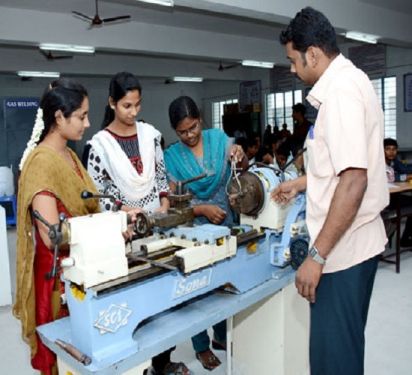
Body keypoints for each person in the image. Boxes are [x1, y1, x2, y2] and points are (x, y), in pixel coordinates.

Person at [272, 7, 389, 375]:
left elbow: (354, 181)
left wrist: (316, 257)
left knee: (333, 362)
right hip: (355, 244)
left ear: (313, 54)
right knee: (341, 352)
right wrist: (301, 182)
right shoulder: (354, 80)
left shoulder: (340, 94)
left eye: (293, 60)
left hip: (342, 254)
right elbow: (343, 167)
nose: (292, 69)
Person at [86, 72, 187, 375]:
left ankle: (162, 361)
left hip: (158, 229)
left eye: (137, 105)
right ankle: (138, 365)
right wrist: (125, 210)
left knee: (165, 299)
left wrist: (165, 206)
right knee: (136, 301)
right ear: (112, 103)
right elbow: (99, 195)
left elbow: (159, 178)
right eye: (127, 106)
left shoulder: (151, 136)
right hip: (125, 235)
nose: (133, 112)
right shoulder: (99, 147)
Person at [13, 79, 100, 375]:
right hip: (58, 276)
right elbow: (51, 236)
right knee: (62, 356)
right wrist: (102, 230)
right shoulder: (41, 163)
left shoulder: (70, 155)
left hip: (82, 266)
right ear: (59, 117)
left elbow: (88, 204)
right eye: (82, 116)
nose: (87, 123)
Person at [164, 96, 247, 370]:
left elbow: (240, 171)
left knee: (224, 284)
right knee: (197, 292)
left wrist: (241, 155)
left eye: (193, 127)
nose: (189, 135)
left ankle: (222, 336)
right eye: (182, 132)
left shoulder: (219, 139)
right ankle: (201, 346)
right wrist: (202, 210)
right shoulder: (172, 157)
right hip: (193, 230)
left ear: (200, 120)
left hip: (226, 221)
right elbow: (176, 202)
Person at [383, 138, 412, 247]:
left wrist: (406, 174)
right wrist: (407, 176)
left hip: (394, 195)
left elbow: (405, 169)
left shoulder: (394, 161)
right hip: (384, 199)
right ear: (382, 150)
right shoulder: (379, 164)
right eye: (388, 149)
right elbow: (392, 177)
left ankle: (405, 239)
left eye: (394, 149)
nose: (391, 152)